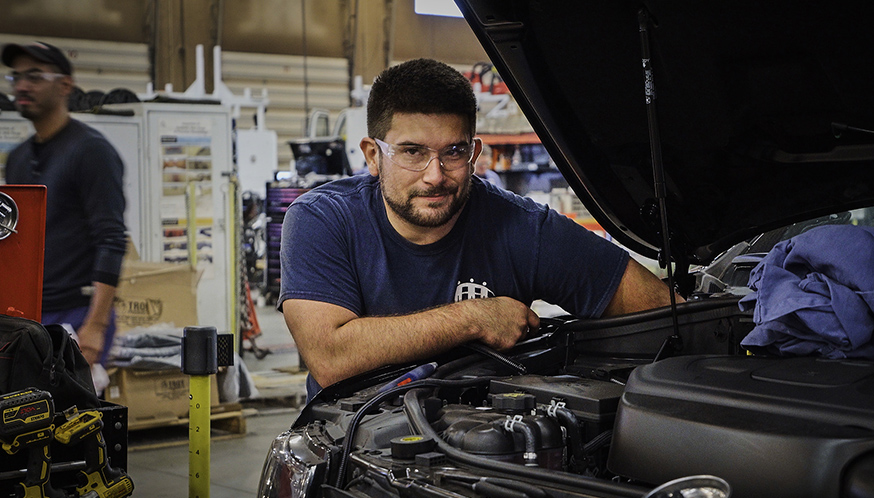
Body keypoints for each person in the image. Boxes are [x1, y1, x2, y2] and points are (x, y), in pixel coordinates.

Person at [279, 58, 678, 400]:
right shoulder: (321, 220)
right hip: (355, 445)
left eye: (453, 151)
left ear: (475, 153)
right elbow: (331, 358)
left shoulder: (522, 227)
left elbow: (663, 315)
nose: (434, 176)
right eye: (413, 152)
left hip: (486, 447)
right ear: (373, 155)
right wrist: (473, 318)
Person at [2, 42, 127, 368]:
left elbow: (111, 240)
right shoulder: (19, 159)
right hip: (28, 315)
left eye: (35, 76)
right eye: (16, 77)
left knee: (76, 417)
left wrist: (96, 326)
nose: (23, 86)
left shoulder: (91, 152)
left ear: (65, 85)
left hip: (76, 315)